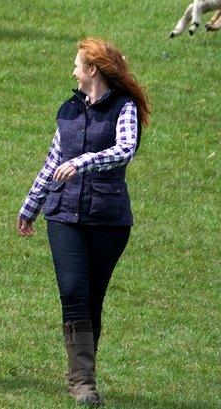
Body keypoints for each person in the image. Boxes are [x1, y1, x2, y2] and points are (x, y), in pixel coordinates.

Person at [17, 37, 150, 406]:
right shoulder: (70, 109)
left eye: (77, 65)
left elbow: (124, 150)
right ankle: (83, 383)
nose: (73, 71)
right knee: (73, 292)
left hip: (108, 218)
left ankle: (82, 373)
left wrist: (83, 161)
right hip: (64, 215)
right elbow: (52, 159)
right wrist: (31, 206)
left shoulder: (125, 109)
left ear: (92, 70)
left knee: (93, 299)